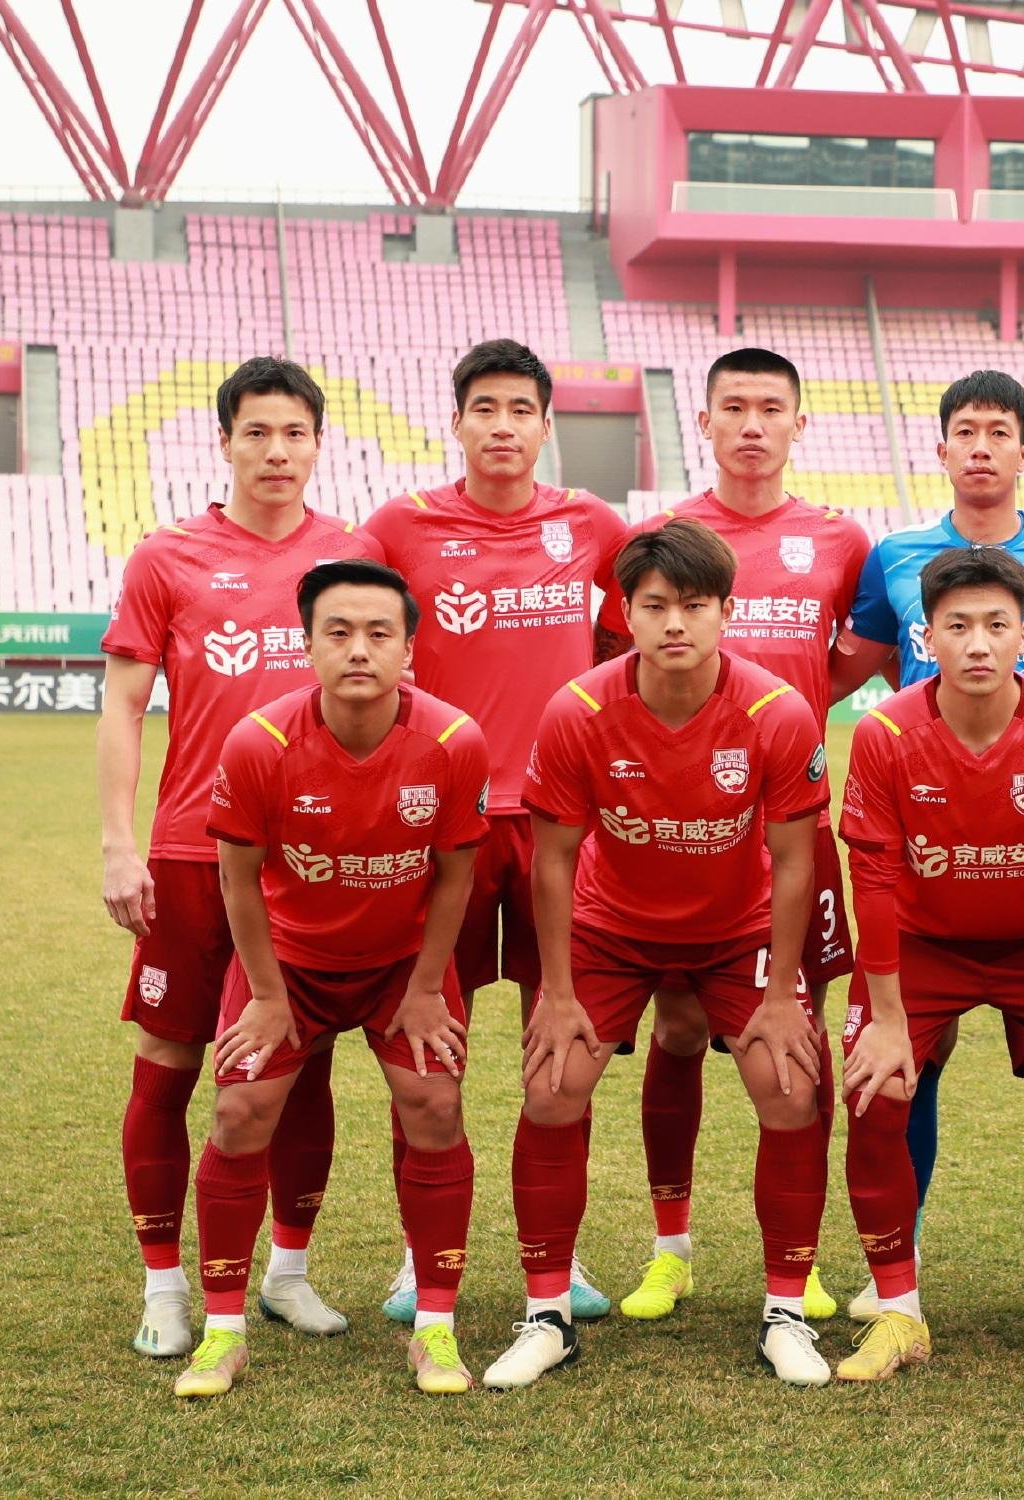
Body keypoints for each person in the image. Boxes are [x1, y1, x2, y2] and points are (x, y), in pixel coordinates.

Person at [486, 520, 834, 1390]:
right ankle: (546, 1316)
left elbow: (795, 861)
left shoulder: (776, 713)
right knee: (552, 1089)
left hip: (738, 929)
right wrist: (556, 992)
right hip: (612, 927)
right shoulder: (579, 711)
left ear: (726, 612)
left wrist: (781, 997)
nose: (674, 623)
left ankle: (786, 1313)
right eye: (654, 606)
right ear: (626, 614)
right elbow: (554, 859)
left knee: (791, 1088)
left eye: (694, 605)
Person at [830, 370, 1024, 1320]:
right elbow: (847, 666)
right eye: (964, 430)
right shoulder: (894, 557)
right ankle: (898, 1268)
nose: (980, 446)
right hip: (927, 852)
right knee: (890, 1079)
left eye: (997, 431)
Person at [99, 357, 375, 1358]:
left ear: (318, 443)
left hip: (312, 863)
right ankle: (164, 1287)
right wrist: (118, 842)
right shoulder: (167, 557)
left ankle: (288, 1276)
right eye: (255, 431)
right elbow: (124, 705)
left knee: (301, 1070)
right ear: (224, 441)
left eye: (294, 432)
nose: (275, 451)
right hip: (189, 852)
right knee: (169, 1066)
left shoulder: (352, 554)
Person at [590, 347, 870, 1323]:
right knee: (675, 1026)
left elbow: (853, 658)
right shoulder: (660, 537)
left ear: (799, 423)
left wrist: (788, 721)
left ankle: (801, 1258)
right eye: (734, 408)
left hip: (788, 822)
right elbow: (613, 658)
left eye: (770, 408)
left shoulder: (839, 540)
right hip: (674, 827)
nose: (752, 425)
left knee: (796, 1032)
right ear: (702, 422)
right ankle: (670, 1250)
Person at [174, 560, 488, 1398]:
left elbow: (455, 873)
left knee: (435, 1105)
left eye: (380, 634)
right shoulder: (260, 743)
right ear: (307, 645)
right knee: (241, 1111)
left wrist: (427, 987)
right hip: (288, 963)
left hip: (402, 964)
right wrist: (266, 995)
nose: (358, 650)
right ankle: (223, 1334)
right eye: (338, 633)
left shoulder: (454, 741)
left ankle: (435, 1330)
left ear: (409, 650)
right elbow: (238, 878)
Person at [360, 337, 623, 1324]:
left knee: (560, 1040)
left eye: (520, 409)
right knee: (429, 1040)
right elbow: (357, 636)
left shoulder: (590, 523)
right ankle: (415, 1253)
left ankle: (560, 1251)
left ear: (546, 425)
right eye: (485, 408)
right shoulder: (400, 525)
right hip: (443, 824)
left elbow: (623, 639)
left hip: (562, 823)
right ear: (457, 421)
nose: (502, 426)